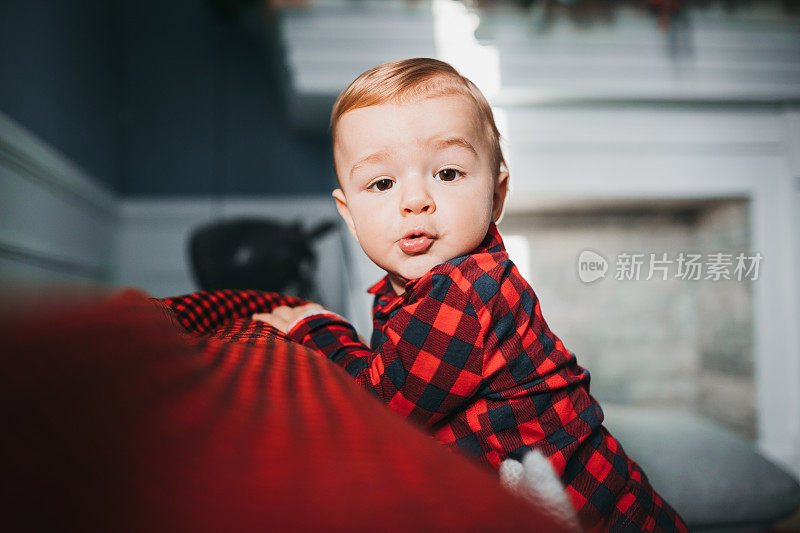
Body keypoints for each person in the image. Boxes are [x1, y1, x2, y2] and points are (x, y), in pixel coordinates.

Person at [253, 58, 686, 532]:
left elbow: (381, 408)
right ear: (350, 214)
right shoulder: (407, 293)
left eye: (448, 174)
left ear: (497, 195)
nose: (415, 200)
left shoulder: (467, 290)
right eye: (382, 183)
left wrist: (315, 329)